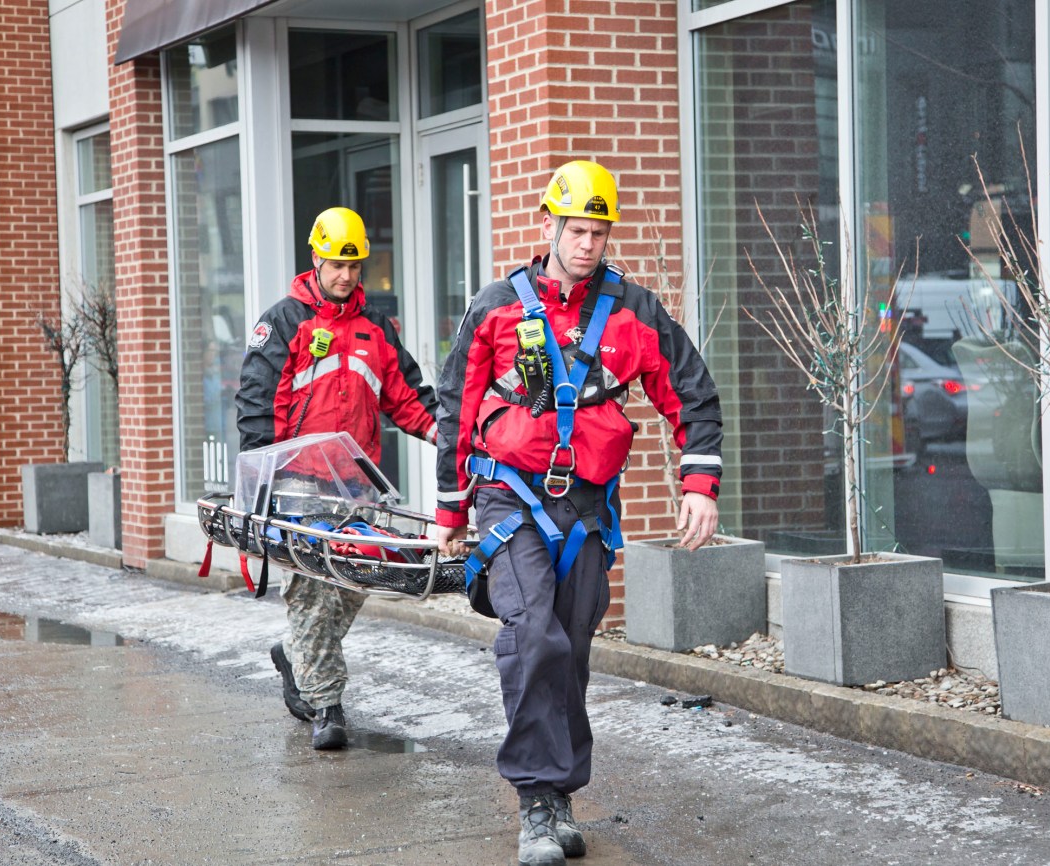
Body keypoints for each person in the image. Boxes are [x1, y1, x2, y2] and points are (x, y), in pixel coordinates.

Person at [434, 161, 722, 865]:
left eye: (599, 232)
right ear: (548, 226)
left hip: (587, 508)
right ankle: (536, 802)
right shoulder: (497, 306)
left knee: (571, 650)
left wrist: (699, 484)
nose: (588, 244)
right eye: (576, 231)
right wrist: (450, 511)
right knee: (534, 635)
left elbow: (692, 392)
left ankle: (558, 794)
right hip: (509, 496)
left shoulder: (633, 311)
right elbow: (457, 405)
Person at [236, 206, 437, 750]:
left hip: (357, 486)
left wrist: (450, 437)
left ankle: (295, 654)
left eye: (354, 265)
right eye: (336, 265)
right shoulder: (284, 323)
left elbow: (408, 397)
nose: (346, 275)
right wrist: (262, 482)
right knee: (309, 593)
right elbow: (257, 406)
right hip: (296, 486)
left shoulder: (376, 329)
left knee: (352, 582)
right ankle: (327, 705)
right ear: (316, 259)